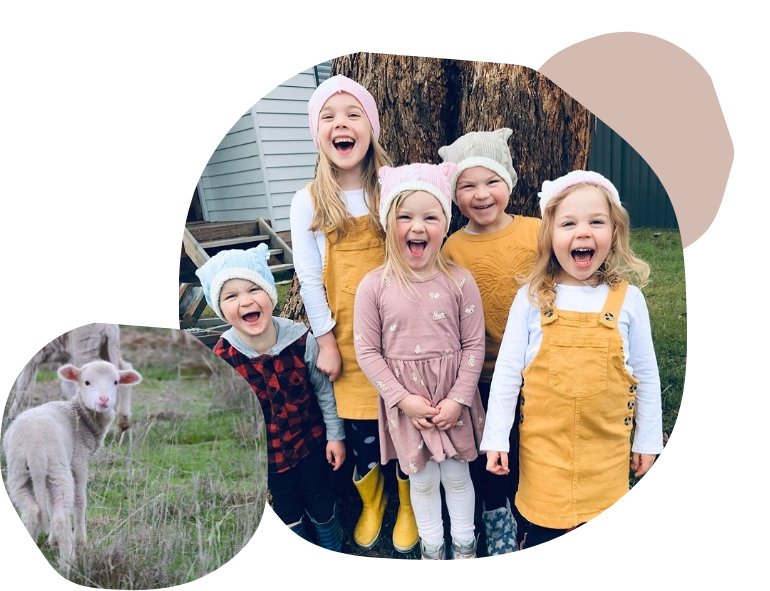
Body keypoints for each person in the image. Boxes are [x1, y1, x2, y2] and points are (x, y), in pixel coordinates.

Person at [479, 170, 664, 549]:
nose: (583, 232)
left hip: (606, 457)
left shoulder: (629, 301)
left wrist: (647, 440)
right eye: (568, 223)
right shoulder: (531, 298)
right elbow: (508, 374)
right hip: (544, 457)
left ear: (614, 232)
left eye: (596, 222)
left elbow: (645, 374)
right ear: (549, 235)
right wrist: (496, 436)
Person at [289, 75, 418, 552]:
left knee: (405, 428)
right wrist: (325, 342)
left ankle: (408, 503)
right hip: (347, 339)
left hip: (405, 335)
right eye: (329, 116)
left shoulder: (392, 189)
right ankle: (373, 501)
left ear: (371, 127)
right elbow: (309, 277)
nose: (341, 124)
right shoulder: (307, 201)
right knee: (364, 432)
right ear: (317, 133)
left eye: (352, 114)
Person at [353, 162, 487, 560]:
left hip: (452, 400)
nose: (417, 227)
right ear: (388, 223)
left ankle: (464, 542)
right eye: (405, 216)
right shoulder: (373, 285)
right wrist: (401, 399)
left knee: (458, 475)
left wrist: (459, 398)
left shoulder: (459, 280)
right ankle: (432, 546)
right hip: (407, 406)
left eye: (430, 217)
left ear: (444, 225)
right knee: (422, 479)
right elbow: (367, 351)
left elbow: (475, 345)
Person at [195, 244, 346, 553]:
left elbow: (324, 392)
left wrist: (336, 436)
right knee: (287, 510)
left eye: (253, 289)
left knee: (321, 499)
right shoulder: (223, 356)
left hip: (311, 443)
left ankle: (332, 542)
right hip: (268, 457)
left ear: (270, 293)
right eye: (231, 296)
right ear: (220, 307)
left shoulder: (300, 339)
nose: (246, 300)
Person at [439, 128, 541, 555]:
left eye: (491, 181)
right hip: (479, 373)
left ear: (510, 183)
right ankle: (495, 519)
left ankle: (528, 516)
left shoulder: (538, 232)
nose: (481, 195)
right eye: (467, 185)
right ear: (454, 193)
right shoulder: (450, 248)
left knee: (526, 447)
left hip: (534, 369)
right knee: (487, 452)